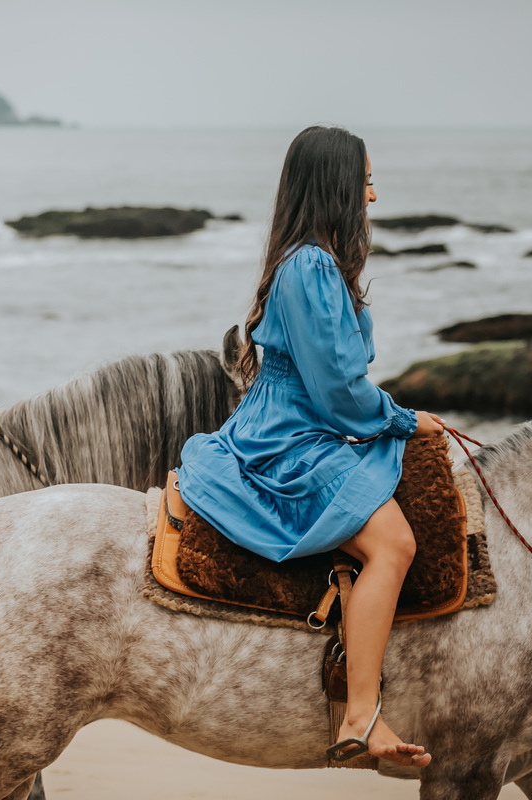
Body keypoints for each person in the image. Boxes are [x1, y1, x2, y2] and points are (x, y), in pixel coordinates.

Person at [177, 126, 442, 768]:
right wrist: (403, 419)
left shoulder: (309, 262)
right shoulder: (312, 267)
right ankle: (360, 716)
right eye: (367, 181)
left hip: (305, 424)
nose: (374, 196)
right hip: (290, 438)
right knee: (395, 543)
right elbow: (336, 390)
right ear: (339, 187)